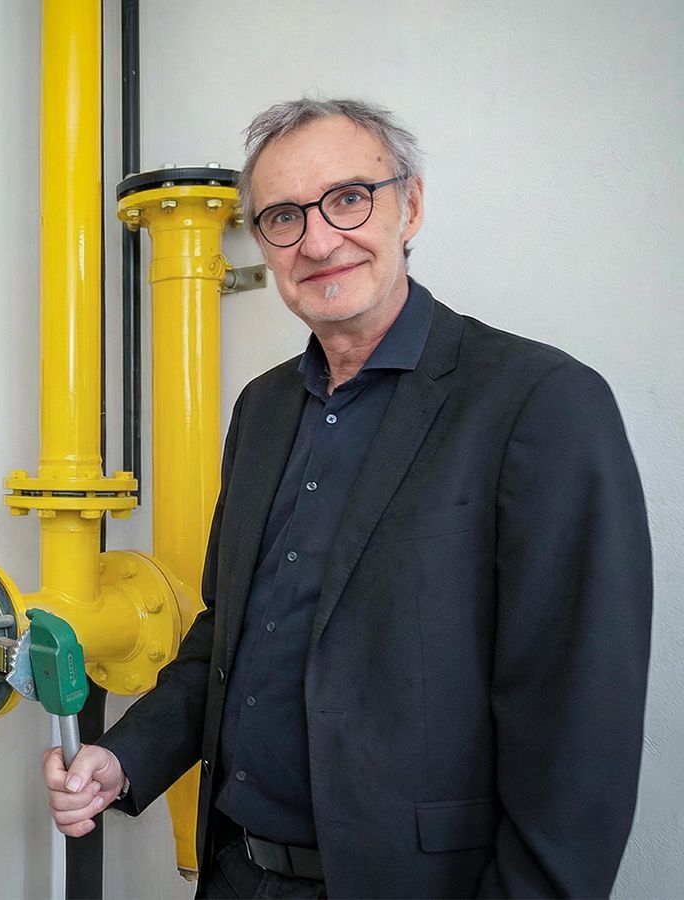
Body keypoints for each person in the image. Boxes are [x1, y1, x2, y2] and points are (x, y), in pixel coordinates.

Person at [41, 98, 653, 899]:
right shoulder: (262, 409)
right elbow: (226, 635)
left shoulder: (538, 403)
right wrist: (126, 757)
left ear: (411, 205)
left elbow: (579, 720)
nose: (319, 241)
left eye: (349, 198)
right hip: (236, 872)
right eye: (283, 217)